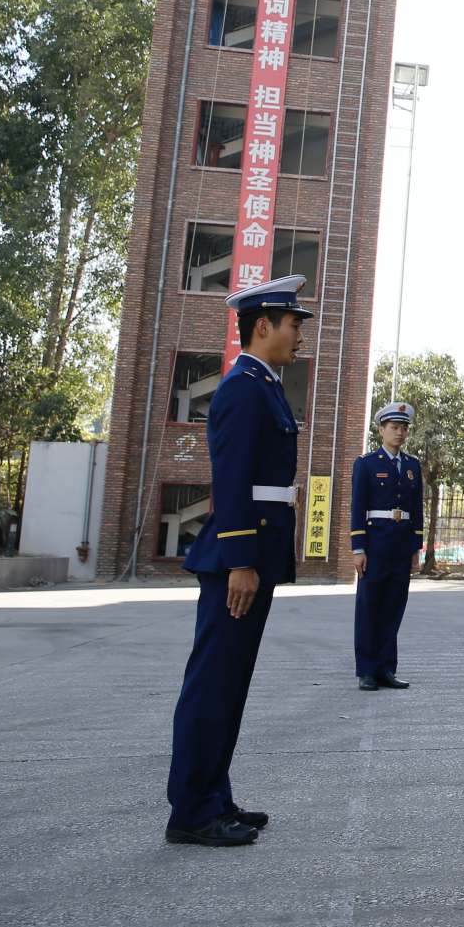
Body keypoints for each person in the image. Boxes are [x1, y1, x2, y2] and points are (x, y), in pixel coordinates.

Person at [165, 275, 312, 847]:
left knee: (230, 685)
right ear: (262, 326)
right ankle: (193, 813)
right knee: (212, 684)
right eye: (293, 324)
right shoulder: (242, 389)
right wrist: (242, 561)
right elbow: (230, 485)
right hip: (240, 560)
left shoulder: (267, 386)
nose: (300, 334)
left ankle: (215, 796)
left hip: (257, 553)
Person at [351, 402, 425, 691]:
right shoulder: (367, 464)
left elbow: (416, 509)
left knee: (394, 608)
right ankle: (367, 670)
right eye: (394, 427)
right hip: (374, 545)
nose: (400, 433)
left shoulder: (412, 466)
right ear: (381, 430)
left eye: (404, 428)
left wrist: (415, 547)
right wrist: (358, 549)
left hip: (400, 546)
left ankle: (386, 669)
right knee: (370, 607)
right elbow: (358, 508)